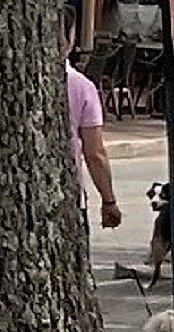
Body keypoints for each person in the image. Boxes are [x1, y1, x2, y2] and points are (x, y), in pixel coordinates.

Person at [63, 11, 123, 232]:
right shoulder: (82, 87)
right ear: (70, 39)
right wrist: (108, 200)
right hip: (68, 193)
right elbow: (94, 152)